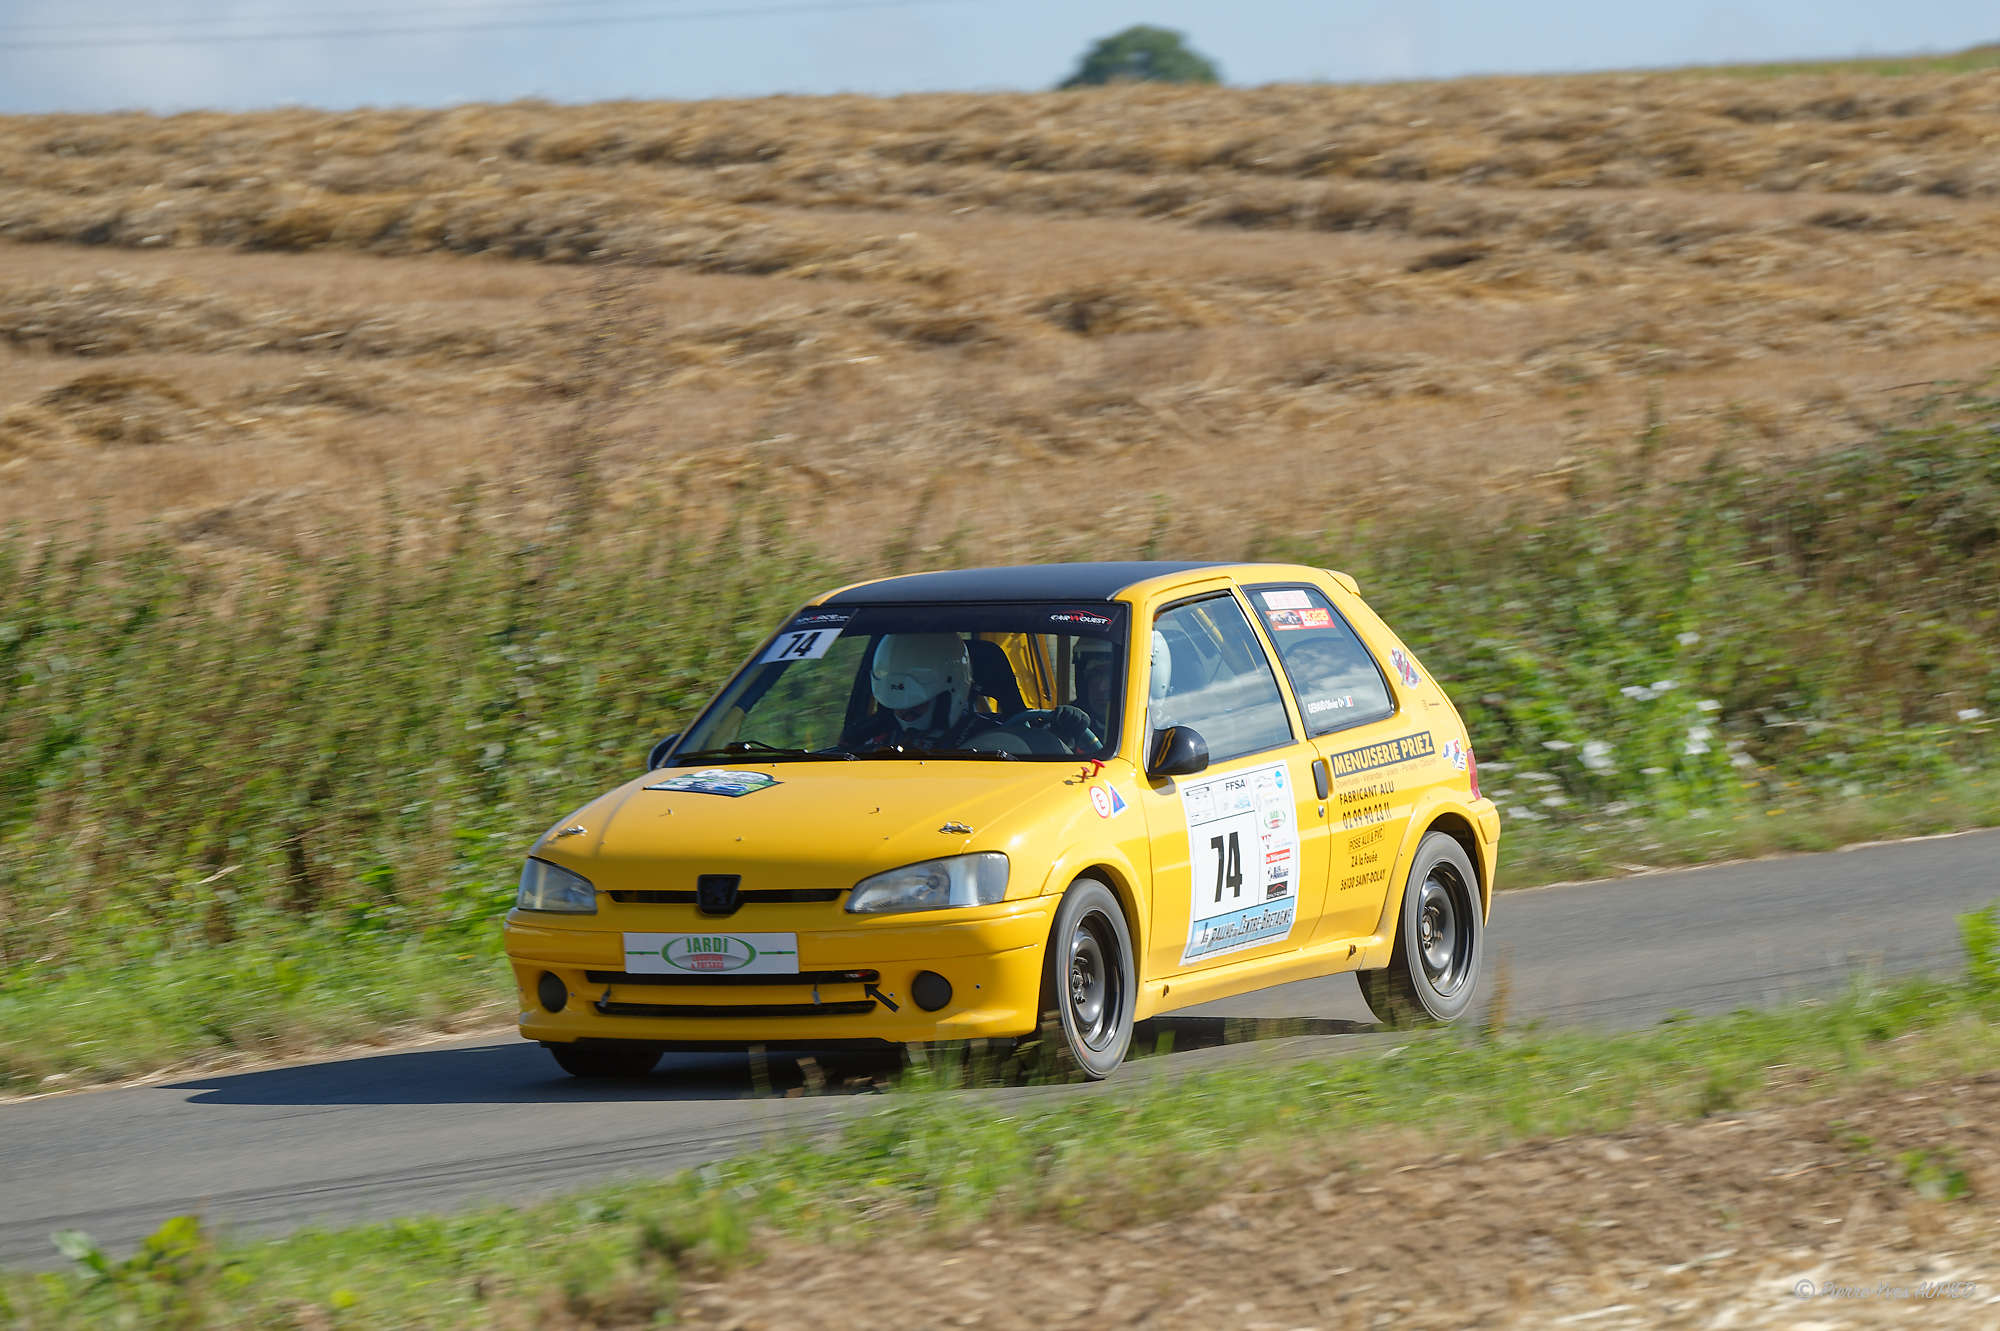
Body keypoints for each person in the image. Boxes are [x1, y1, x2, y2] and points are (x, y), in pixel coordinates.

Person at [846, 633, 1000, 751]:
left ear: (949, 696)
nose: (904, 715)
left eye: (916, 705)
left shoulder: (991, 743)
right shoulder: (878, 738)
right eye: (896, 705)